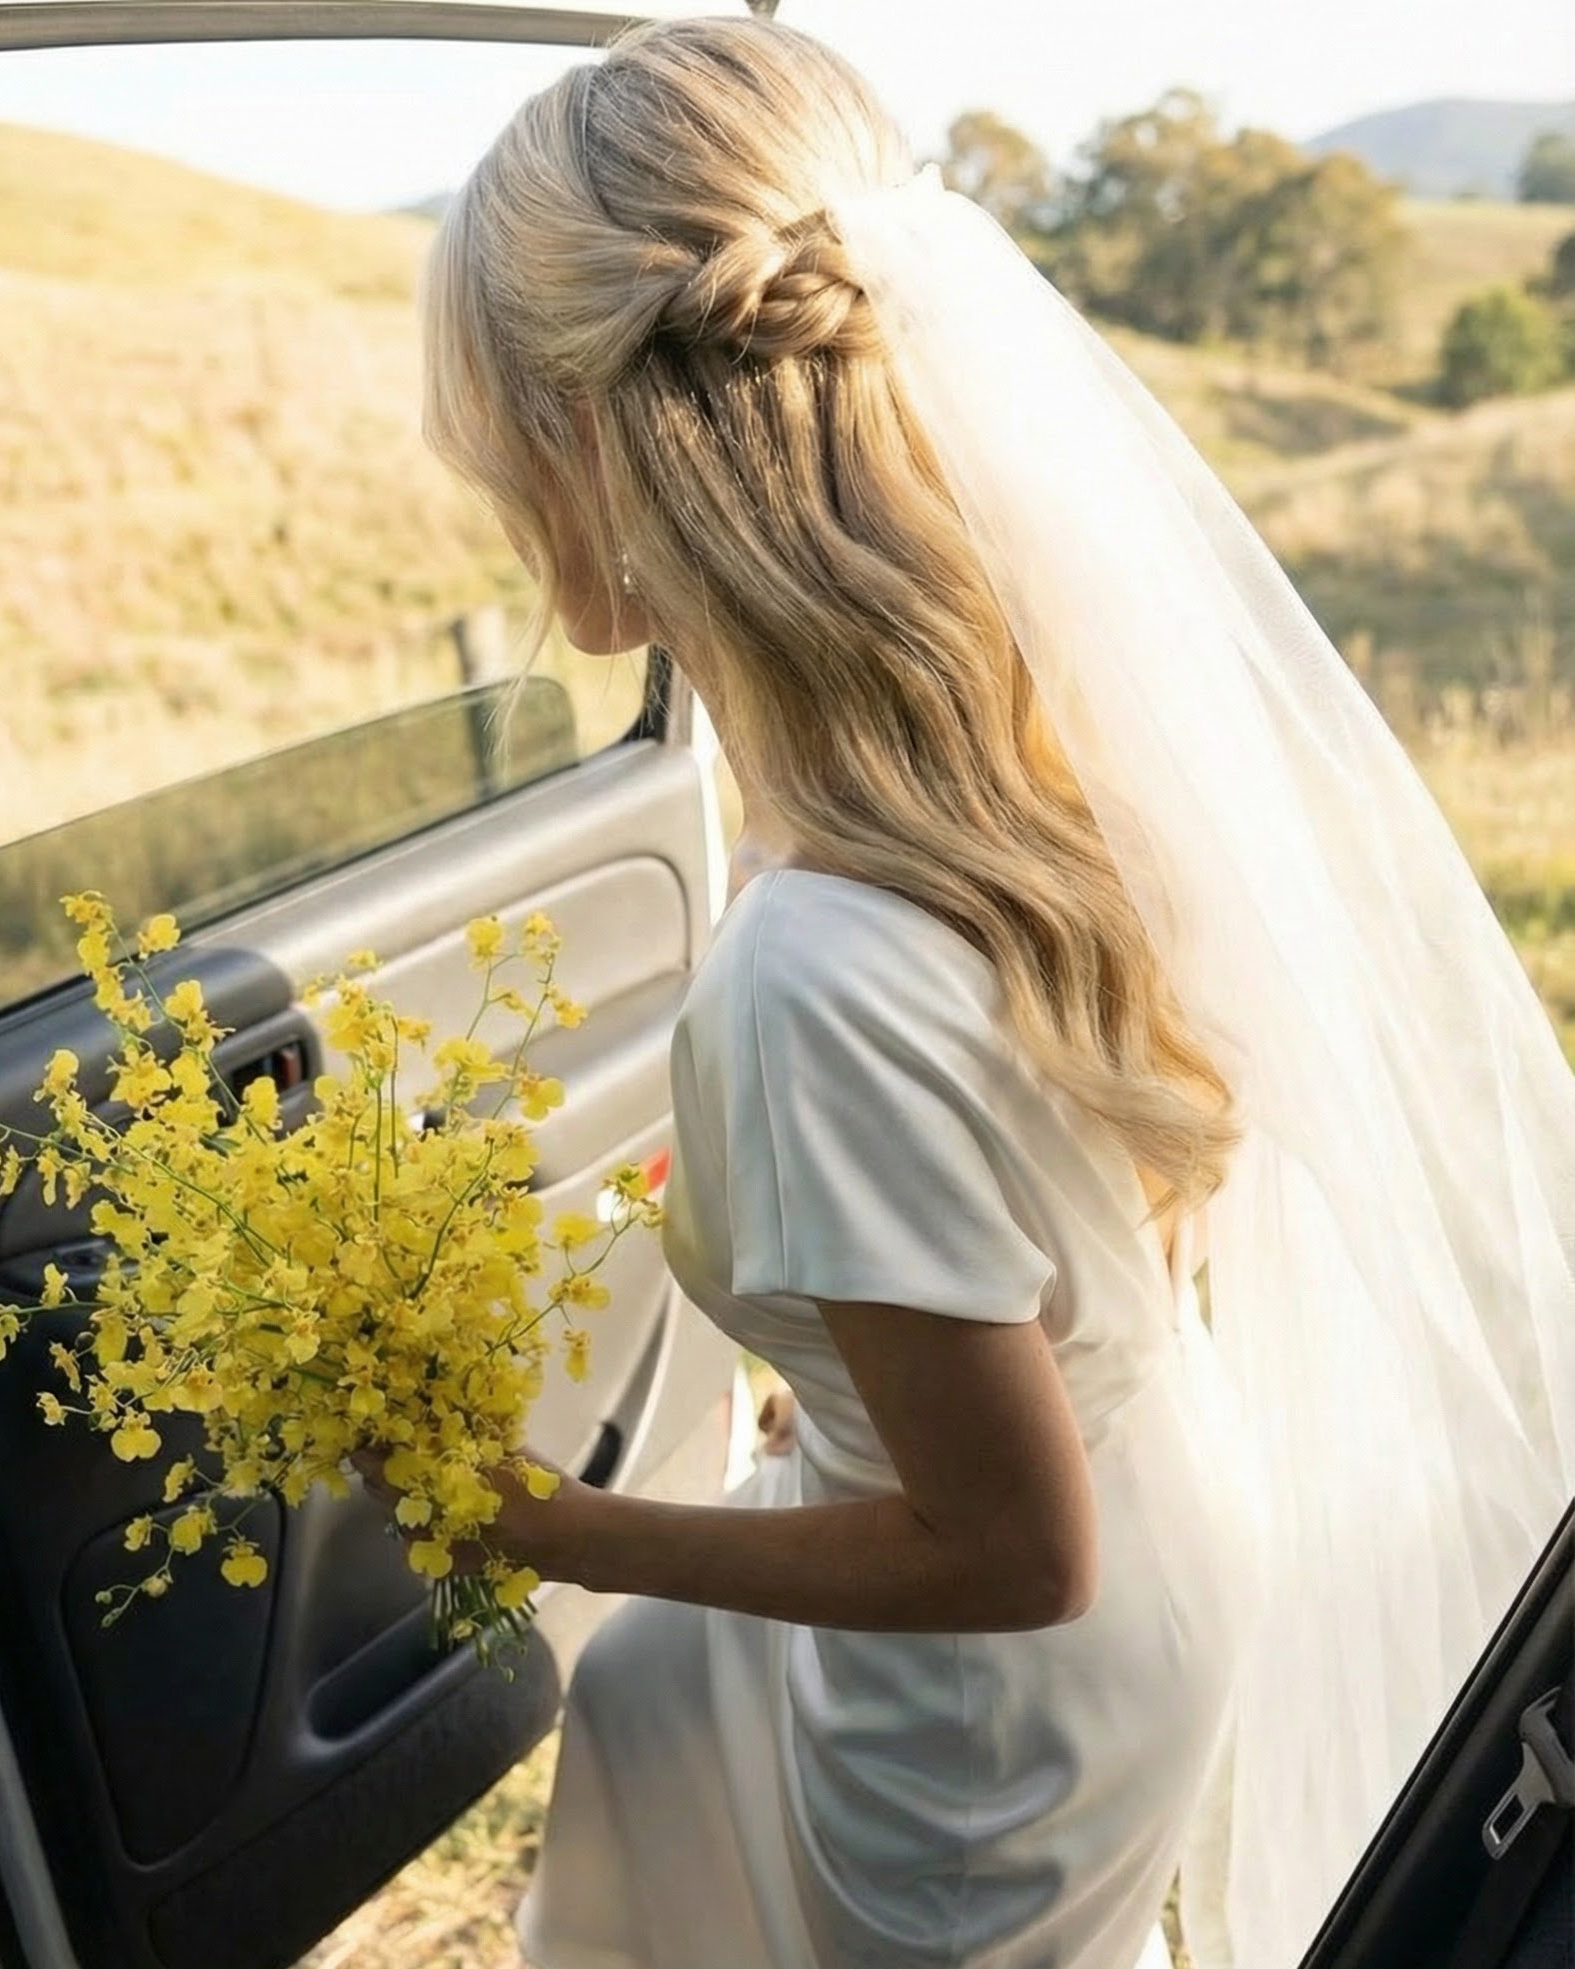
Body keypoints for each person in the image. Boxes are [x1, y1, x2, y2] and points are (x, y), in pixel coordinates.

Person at [356, 16, 1575, 1969]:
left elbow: (1008, 1550)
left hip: (1000, 1693)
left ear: (591, 437)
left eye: (496, 425)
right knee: (667, 1697)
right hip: (1164, 1515)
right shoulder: (1001, 752)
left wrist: (549, 1531)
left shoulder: (807, 971)